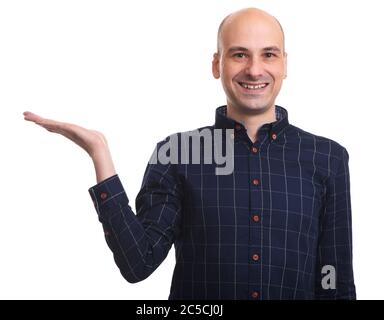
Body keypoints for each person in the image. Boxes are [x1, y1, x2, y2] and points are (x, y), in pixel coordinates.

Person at [23, 7, 356, 300]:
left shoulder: (327, 157)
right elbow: (137, 263)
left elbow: (334, 278)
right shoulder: (178, 153)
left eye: (268, 54)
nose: (255, 69)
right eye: (240, 54)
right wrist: (100, 154)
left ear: (284, 64)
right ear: (217, 64)